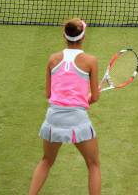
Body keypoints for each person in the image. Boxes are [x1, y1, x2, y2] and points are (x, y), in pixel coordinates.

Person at [28, 18, 101, 195]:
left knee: (46, 161)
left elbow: (49, 94)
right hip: (77, 118)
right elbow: (94, 97)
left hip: (53, 118)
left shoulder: (53, 59)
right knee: (93, 165)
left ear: (64, 35)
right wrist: (89, 97)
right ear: (83, 37)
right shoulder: (90, 61)